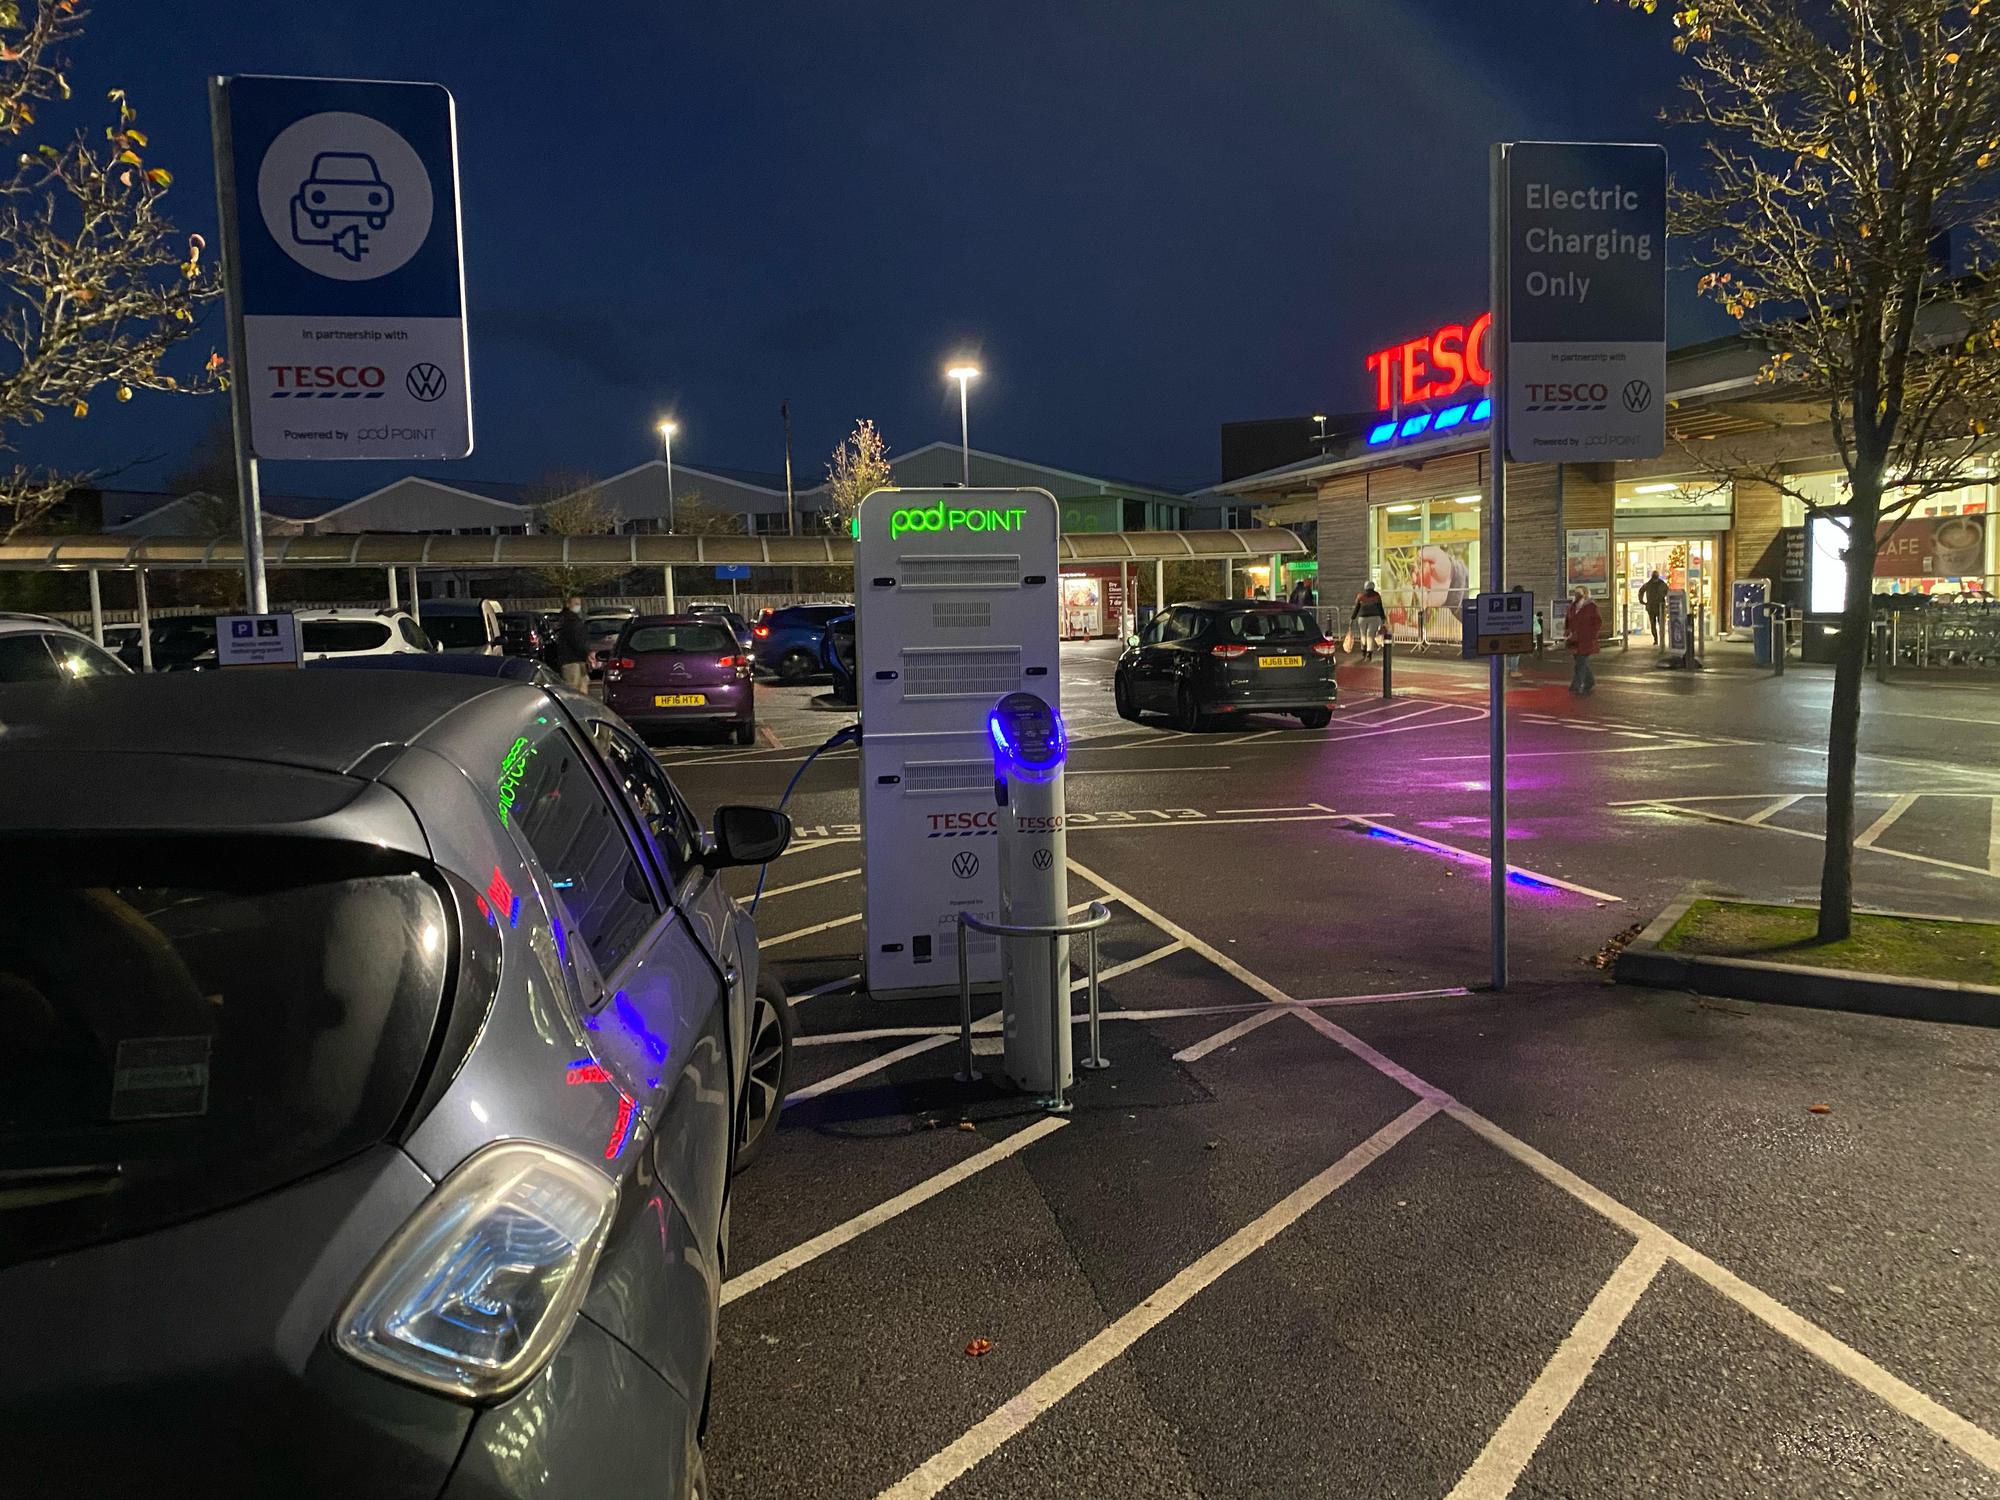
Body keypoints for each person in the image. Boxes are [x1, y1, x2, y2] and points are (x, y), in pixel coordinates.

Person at [1565, 585, 1602, 695]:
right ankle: (1590, 681)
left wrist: (1592, 634)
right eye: (1575, 592)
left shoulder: (1591, 607)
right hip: (1574, 639)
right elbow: (1568, 620)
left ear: (1585, 594)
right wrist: (1567, 631)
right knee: (1580, 662)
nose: (1576, 595)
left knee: (1580, 663)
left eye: (1579, 593)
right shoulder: (1572, 606)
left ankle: (1576, 685)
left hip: (1586, 639)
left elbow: (1597, 622)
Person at [553, 594, 591, 693]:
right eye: (576, 604)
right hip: (572, 661)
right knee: (574, 690)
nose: (578, 606)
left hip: (572, 660)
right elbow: (578, 642)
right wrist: (586, 654)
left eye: (579, 604)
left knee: (578, 689)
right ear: (569, 604)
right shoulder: (572, 621)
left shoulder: (566, 620)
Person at [1351, 580, 1388, 662]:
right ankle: (1369, 654)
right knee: (1370, 635)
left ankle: (1363, 651)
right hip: (1374, 618)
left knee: (1363, 635)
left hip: (1362, 618)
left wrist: (1352, 618)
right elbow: (1380, 608)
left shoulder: (1360, 596)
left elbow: (1356, 608)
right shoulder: (1377, 596)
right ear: (1373, 587)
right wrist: (1383, 618)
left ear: (1365, 587)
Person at [1638, 569, 1669, 648]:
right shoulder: (1661, 584)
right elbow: (1668, 593)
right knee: (1659, 624)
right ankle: (1659, 639)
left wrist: (1642, 601)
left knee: (1654, 624)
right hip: (1658, 607)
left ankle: (1657, 639)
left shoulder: (1649, 584)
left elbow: (1641, 591)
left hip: (1654, 607)